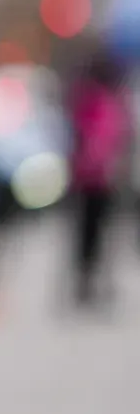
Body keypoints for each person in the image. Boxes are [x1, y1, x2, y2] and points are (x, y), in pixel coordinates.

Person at [66, 51, 131, 308]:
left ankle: (92, 281)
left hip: (98, 177)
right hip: (92, 177)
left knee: (94, 233)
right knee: (90, 233)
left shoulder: (102, 100)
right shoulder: (95, 99)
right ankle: (87, 282)